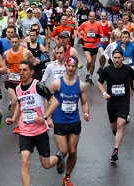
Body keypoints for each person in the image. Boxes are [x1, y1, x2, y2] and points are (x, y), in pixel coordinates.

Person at [5, 60, 66, 186]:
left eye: (25, 70)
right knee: (25, 162)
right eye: (20, 70)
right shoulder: (17, 88)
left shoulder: (38, 86)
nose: (21, 73)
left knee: (46, 164)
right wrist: (14, 118)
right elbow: (20, 105)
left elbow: (54, 102)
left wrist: (44, 117)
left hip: (40, 131)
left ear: (32, 72)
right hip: (25, 131)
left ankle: (58, 158)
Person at [48, 57, 90, 186]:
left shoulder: (81, 85)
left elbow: (84, 102)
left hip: (74, 121)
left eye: (73, 66)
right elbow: (46, 98)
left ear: (76, 67)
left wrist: (86, 112)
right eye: (69, 66)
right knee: (64, 150)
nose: (71, 69)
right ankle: (59, 159)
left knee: (72, 150)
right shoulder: (57, 83)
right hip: (60, 121)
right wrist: (48, 117)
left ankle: (67, 177)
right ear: (65, 66)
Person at [97, 49, 134, 162]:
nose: (117, 60)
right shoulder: (107, 70)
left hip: (123, 102)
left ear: (122, 58)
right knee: (114, 127)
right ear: (112, 58)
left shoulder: (127, 69)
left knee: (121, 124)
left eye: (119, 58)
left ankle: (115, 150)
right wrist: (104, 93)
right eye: (115, 58)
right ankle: (117, 136)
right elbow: (99, 82)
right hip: (111, 102)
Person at [4, 33, 34, 134]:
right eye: (12, 42)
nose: (14, 44)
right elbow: (4, 66)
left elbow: (33, 62)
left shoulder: (26, 52)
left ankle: (25, 121)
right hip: (11, 81)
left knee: (23, 103)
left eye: (16, 42)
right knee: (14, 102)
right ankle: (17, 125)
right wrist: (5, 73)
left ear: (19, 42)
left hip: (23, 82)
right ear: (10, 42)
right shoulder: (7, 54)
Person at [77, 12, 102, 85]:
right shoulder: (85, 24)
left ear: (95, 17)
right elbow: (78, 30)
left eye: (93, 16)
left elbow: (102, 34)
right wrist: (80, 37)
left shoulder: (98, 24)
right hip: (86, 45)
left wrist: (98, 35)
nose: (92, 18)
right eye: (90, 16)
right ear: (88, 17)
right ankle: (87, 72)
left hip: (94, 46)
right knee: (89, 61)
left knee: (93, 64)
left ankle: (90, 77)